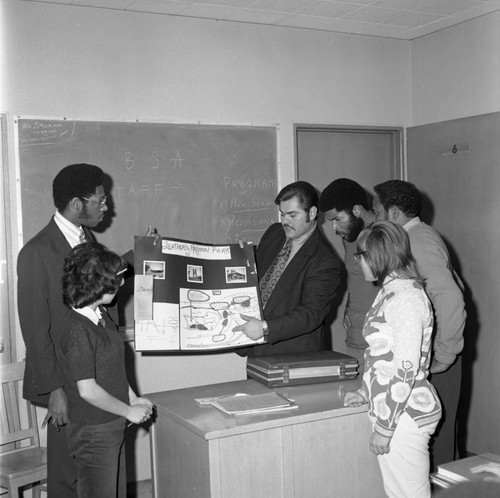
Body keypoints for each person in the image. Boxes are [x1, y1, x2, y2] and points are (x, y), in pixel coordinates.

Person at [16, 163, 156, 496]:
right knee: (68, 477)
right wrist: (54, 390)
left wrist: (136, 255)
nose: (106, 205)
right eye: (100, 200)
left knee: (97, 477)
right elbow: (34, 330)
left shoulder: (83, 237)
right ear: (78, 205)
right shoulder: (36, 252)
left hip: (93, 369)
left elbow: (95, 280)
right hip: (63, 381)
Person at [343, 221, 442, 498]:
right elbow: (381, 355)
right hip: (394, 410)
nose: (357, 261)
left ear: (377, 256)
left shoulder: (405, 299)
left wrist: (385, 429)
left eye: (360, 255)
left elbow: (405, 370)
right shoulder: (391, 291)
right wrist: (365, 391)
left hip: (404, 416)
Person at [372, 179, 466, 468]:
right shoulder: (412, 238)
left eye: (377, 213)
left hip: (436, 359)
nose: (374, 219)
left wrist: (445, 354)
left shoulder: (419, 241)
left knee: (435, 454)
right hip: (426, 356)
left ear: (395, 214)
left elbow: (451, 299)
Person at [59, 242, 153, 498]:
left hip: (111, 423)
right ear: (96, 284)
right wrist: (128, 411)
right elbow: (87, 390)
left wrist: (134, 399)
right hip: (93, 430)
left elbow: (112, 370)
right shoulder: (77, 329)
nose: (121, 285)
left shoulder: (100, 315)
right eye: (116, 280)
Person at [233, 181, 342, 355]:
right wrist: (240, 259)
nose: (285, 222)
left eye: (292, 215)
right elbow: (259, 277)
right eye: (282, 214)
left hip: (292, 357)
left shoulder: (325, 262)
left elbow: (311, 314)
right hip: (256, 350)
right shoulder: (274, 233)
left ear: (312, 213)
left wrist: (264, 328)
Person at [318, 178, 378, 368]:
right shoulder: (350, 238)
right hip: (354, 338)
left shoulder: (385, 236)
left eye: (337, 219)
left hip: (380, 343)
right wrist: (350, 305)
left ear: (357, 210)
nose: (334, 228)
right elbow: (357, 276)